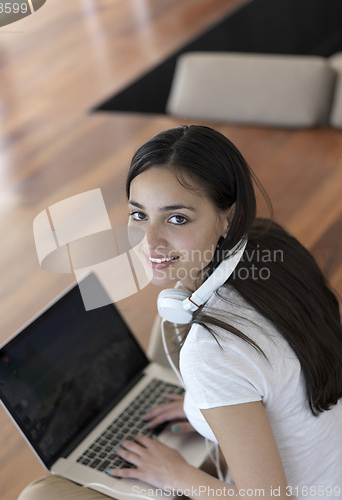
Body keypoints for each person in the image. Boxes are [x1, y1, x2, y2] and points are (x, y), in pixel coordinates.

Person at [19, 125, 342, 500]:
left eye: (176, 219)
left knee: (40, 495)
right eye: (139, 215)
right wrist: (206, 409)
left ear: (227, 217)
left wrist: (175, 474)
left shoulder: (211, 353)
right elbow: (275, 373)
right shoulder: (273, 244)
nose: (149, 241)